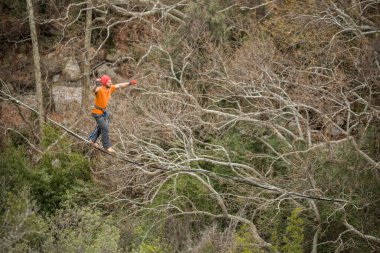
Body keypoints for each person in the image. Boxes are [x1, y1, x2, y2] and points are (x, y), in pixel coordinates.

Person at [88, 74, 137, 153]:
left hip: (103, 112)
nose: (111, 83)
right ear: (104, 83)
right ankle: (107, 147)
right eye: (109, 82)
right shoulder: (100, 89)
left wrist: (129, 83)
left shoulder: (110, 88)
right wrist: (96, 84)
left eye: (110, 82)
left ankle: (92, 141)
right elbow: (94, 90)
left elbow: (119, 85)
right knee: (104, 128)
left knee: (102, 127)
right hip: (96, 113)